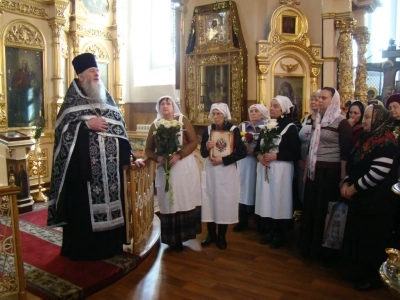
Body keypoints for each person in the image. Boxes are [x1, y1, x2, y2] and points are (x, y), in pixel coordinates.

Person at [47, 53, 144, 261]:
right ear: (81, 76)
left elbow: (120, 131)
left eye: (98, 70)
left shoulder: (106, 99)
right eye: (92, 71)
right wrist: (85, 125)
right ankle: (86, 250)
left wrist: (130, 156)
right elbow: (62, 132)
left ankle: (112, 246)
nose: (97, 74)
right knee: (84, 211)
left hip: (112, 175)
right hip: (83, 176)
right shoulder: (71, 104)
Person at [341, 104, 398, 291]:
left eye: (367, 117)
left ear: (379, 119)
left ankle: (371, 277)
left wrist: (353, 188)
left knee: (371, 239)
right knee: (358, 236)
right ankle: (356, 270)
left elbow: (377, 173)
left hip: (376, 202)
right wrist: (346, 181)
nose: (364, 121)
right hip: (361, 199)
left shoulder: (386, 141)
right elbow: (353, 162)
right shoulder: (368, 137)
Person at [300, 87, 352, 263]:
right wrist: (306, 171)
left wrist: (343, 178)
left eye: (324, 98)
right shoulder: (319, 120)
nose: (320, 100)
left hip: (330, 173)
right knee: (312, 209)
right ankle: (309, 247)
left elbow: (345, 153)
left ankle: (324, 252)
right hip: (315, 170)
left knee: (325, 211)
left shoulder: (341, 122)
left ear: (333, 100)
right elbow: (311, 148)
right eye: (319, 97)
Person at [145, 96, 202, 252]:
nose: (165, 106)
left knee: (183, 199)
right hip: (165, 170)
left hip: (183, 168)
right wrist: (158, 157)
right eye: (162, 103)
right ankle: (172, 238)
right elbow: (148, 150)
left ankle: (184, 236)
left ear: (173, 106)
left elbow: (192, 142)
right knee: (169, 202)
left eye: (168, 103)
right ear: (158, 107)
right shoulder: (155, 125)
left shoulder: (182, 120)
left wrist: (179, 155)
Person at [255, 96, 301, 249]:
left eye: (276, 106)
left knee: (279, 200)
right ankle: (272, 230)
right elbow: (257, 149)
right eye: (271, 105)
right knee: (268, 200)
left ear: (283, 110)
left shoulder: (290, 127)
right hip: (266, 168)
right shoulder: (267, 125)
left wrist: (276, 155)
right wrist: (260, 156)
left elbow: (295, 153)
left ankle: (281, 233)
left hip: (281, 170)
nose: (272, 108)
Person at [200, 103, 247, 249]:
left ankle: (221, 236)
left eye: (219, 114)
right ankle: (211, 234)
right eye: (213, 114)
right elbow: (202, 153)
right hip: (211, 171)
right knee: (210, 201)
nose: (216, 117)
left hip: (226, 171)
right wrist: (206, 148)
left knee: (223, 202)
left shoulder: (233, 130)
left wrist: (223, 159)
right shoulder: (207, 130)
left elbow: (241, 152)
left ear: (224, 115)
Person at [234, 104, 269, 232]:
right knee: (243, 191)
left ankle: (260, 222)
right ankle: (242, 221)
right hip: (244, 164)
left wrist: (254, 151)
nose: (253, 113)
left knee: (258, 191)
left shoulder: (267, 126)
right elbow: (235, 143)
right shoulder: (242, 126)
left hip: (258, 163)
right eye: (251, 111)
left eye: (256, 111)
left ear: (262, 114)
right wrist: (243, 149)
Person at [297, 90, 320, 204]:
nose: (313, 102)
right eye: (311, 99)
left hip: (314, 158)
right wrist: (299, 159)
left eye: (316, 99)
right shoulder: (305, 119)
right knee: (301, 187)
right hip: (302, 157)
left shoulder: (323, 120)